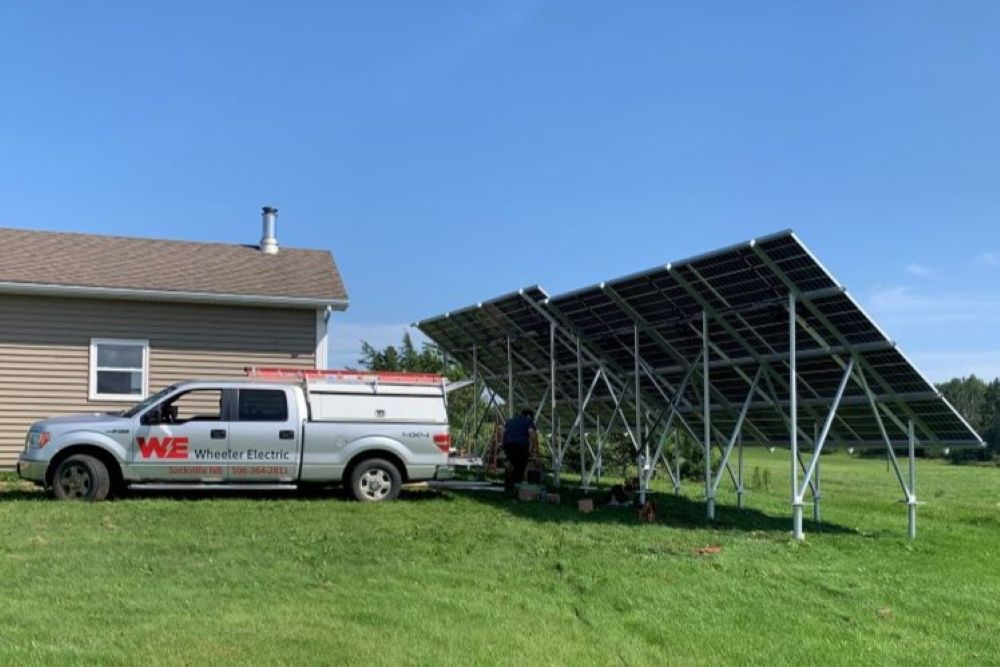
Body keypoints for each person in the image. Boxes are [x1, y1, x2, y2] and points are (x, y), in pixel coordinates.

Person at [502, 409, 537, 491]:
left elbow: (503, 430)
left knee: (511, 463)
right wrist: (534, 447)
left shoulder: (510, 420)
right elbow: (531, 431)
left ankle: (508, 485)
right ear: (529, 416)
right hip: (521, 446)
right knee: (520, 467)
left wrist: (502, 443)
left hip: (508, 445)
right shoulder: (528, 421)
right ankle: (517, 488)